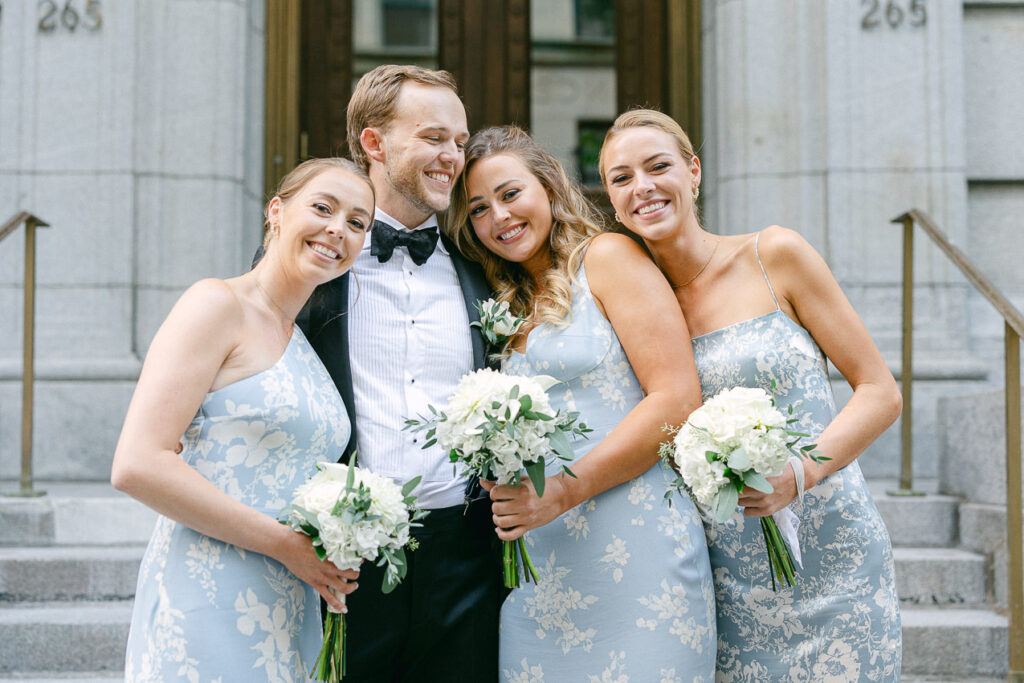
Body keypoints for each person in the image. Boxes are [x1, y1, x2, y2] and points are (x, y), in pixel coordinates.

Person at [599, 109, 903, 681]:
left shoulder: (774, 256)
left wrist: (800, 472)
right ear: (613, 200)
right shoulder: (630, 307)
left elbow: (879, 391)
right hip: (727, 580)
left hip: (834, 556)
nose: (642, 187)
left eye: (658, 166)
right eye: (621, 178)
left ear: (693, 172)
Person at [446, 125, 717, 682]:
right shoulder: (502, 301)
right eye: (477, 209)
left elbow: (676, 398)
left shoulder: (609, 258)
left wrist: (566, 489)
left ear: (547, 187)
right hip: (542, 566)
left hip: (639, 548)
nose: (498, 217)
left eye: (509, 194)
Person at [112, 157, 373, 681]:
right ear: (276, 212)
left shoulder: (303, 342)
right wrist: (287, 546)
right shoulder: (215, 303)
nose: (336, 229)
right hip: (209, 592)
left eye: (357, 222)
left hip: (288, 601)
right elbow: (138, 463)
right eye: (322, 208)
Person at [295, 65, 501, 681]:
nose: (452, 157)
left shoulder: (485, 263)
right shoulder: (312, 258)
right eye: (434, 137)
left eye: (460, 143)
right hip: (346, 556)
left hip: (468, 555)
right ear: (374, 144)